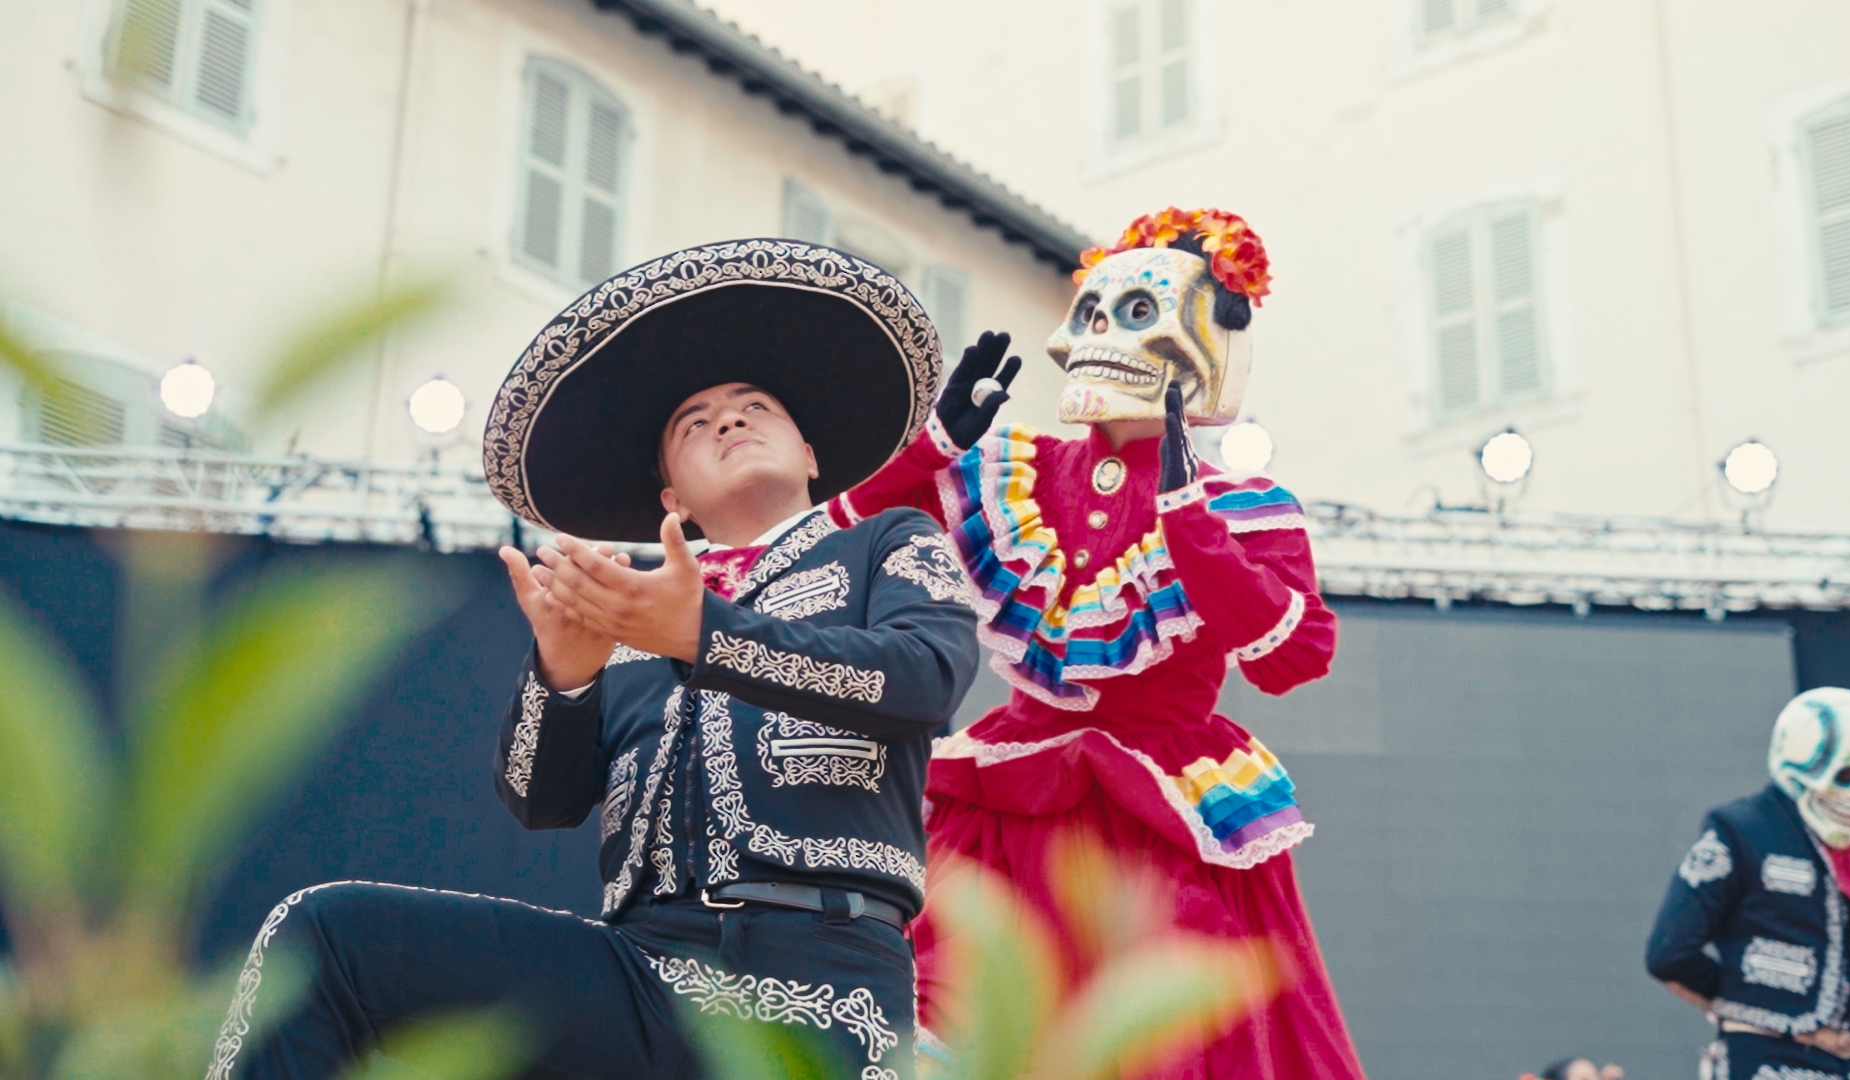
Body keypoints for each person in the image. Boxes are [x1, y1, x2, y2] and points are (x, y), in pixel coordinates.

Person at [204, 240, 978, 1079]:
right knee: (323, 938)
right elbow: (540, 799)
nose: (728, 417)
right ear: (672, 502)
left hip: (820, 985)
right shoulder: (630, 613)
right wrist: (563, 674)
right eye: (695, 422)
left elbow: (925, 679)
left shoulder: (886, 544)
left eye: (755, 405)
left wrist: (704, 636)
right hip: (642, 975)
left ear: (812, 456)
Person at [826, 207, 1366, 1078]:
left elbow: (1291, 658)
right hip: (1009, 799)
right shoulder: (1011, 473)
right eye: (1096, 312)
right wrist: (931, 445)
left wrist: (1192, 524)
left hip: (1162, 819)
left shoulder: (1246, 507)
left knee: (1158, 1045)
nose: (1101, 339)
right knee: (941, 1033)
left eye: (1139, 317)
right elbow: (852, 528)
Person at [1646, 687, 1850, 1080]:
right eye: (1848, 773)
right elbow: (1668, 953)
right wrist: (1751, 1001)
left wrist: (1837, 997)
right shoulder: (1738, 830)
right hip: (1768, 1062)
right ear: (1798, 763)